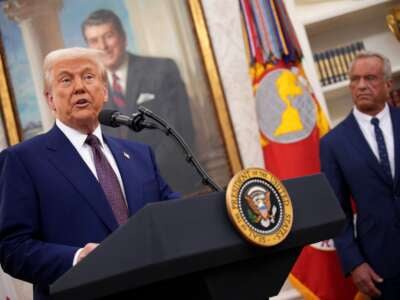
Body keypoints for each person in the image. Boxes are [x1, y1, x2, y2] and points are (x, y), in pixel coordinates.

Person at [0, 47, 179, 300]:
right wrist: (76, 258)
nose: (80, 87)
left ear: (104, 91)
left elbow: (173, 214)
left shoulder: (140, 155)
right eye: (66, 80)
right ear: (50, 99)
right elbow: (12, 249)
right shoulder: (22, 160)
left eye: (88, 77)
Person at [81, 9, 200, 194]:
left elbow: (180, 129)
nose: (103, 46)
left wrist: (143, 175)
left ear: (123, 37)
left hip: (173, 185)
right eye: (94, 41)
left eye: (109, 36)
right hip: (126, 196)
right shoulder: (88, 91)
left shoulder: (162, 69)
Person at [320, 51, 400, 299]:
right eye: (355, 80)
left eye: (370, 78)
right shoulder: (333, 143)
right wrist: (354, 262)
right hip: (380, 264)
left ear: (388, 84)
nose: (361, 85)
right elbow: (336, 210)